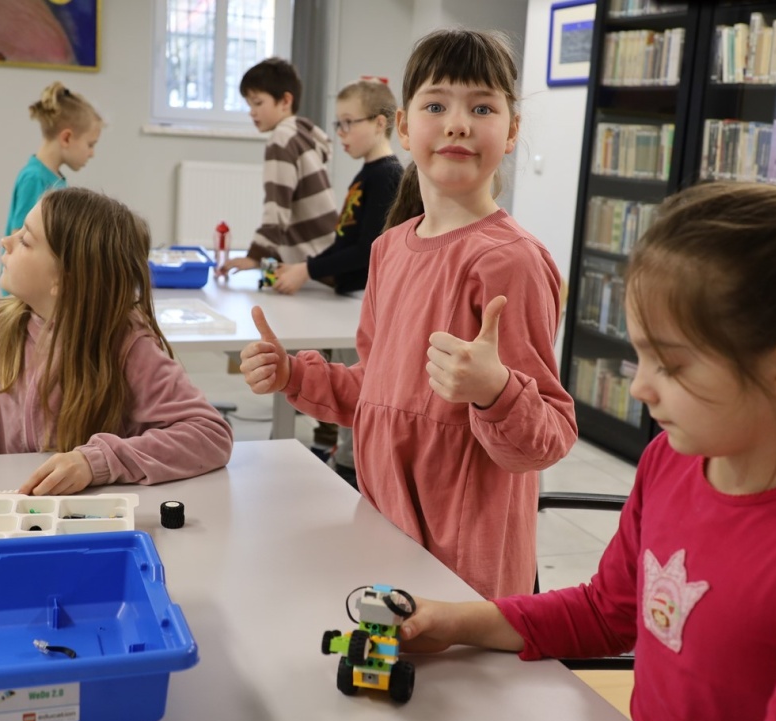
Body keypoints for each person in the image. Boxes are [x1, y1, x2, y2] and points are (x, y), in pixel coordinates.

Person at [396, 183, 776, 721]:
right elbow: (607, 612)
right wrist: (455, 621)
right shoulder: (671, 462)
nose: (640, 389)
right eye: (639, 357)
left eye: (671, 366)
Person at [238, 29, 578, 599]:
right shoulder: (389, 249)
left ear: (512, 131)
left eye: (483, 107)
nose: (458, 123)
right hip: (385, 535)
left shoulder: (512, 262)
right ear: (403, 125)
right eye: (437, 104)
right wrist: (296, 374)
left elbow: (547, 437)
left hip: (466, 566)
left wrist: (495, 390)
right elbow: (379, 391)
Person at [0, 188, 233, 497]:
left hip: (98, 525)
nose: (6, 240)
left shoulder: (128, 345)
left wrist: (95, 462)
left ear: (64, 280)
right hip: (14, 521)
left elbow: (209, 434)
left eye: (25, 240)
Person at [271, 78, 404, 489]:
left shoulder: (387, 176)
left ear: (381, 123)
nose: (341, 134)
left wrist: (308, 270)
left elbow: (367, 250)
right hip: (349, 300)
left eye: (350, 123)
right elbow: (343, 242)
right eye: (339, 123)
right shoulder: (366, 175)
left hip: (363, 303)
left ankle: (350, 468)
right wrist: (306, 267)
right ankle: (344, 457)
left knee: (359, 388)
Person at [217, 58, 338, 275]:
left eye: (258, 102)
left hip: (309, 262)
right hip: (327, 251)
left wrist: (255, 255)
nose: (251, 112)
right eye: (249, 104)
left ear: (285, 101)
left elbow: (277, 207)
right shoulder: (302, 133)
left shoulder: (281, 139)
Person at [5, 81, 101, 242]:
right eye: (90, 145)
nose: (92, 154)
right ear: (67, 138)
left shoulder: (54, 179)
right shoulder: (34, 178)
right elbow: (19, 238)